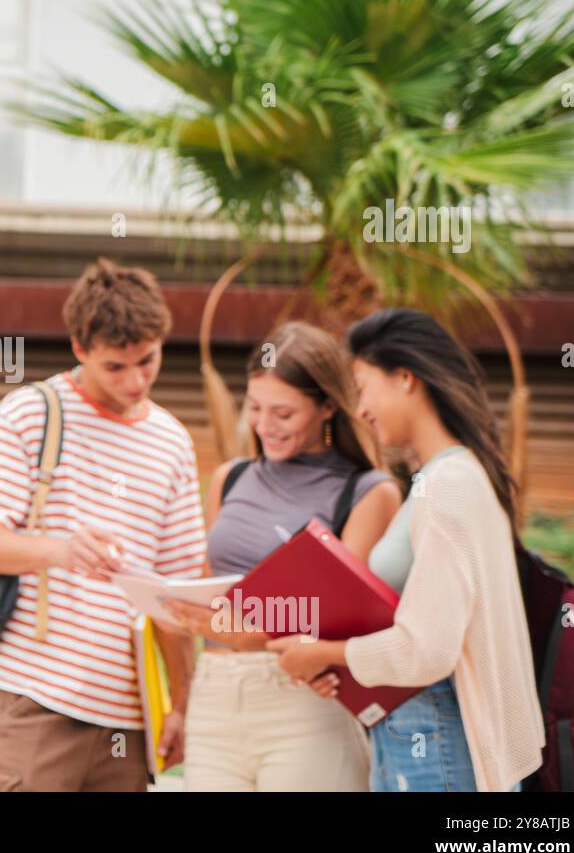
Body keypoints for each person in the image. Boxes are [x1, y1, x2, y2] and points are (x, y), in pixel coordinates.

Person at [0, 258, 207, 791]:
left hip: (129, 719)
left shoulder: (173, 441)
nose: (136, 380)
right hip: (30, 702)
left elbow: (177, 599)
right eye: (116, 366)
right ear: (80, 348)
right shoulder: (31, 413)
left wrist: (181, 705)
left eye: (148, 361)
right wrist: (60, 550)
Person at [268, 308, 545, 792]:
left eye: (363, 386)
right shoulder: (448, 477)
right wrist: (336, 662)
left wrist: (321, 653)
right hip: (420, 732)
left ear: (404, 378)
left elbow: (427, 649)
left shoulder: (448, 486)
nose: (361, 408)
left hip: (435, 737)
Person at [162, 322, 401, 791]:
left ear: (329, 406)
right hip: (215, 698)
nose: (264, 426)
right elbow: (210, 585)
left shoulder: (369, 493)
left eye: (284, 413)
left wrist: (225, 627)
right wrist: (176, 609)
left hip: (304, 704)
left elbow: (338, 620)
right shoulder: (230, 478)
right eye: (254, 408)